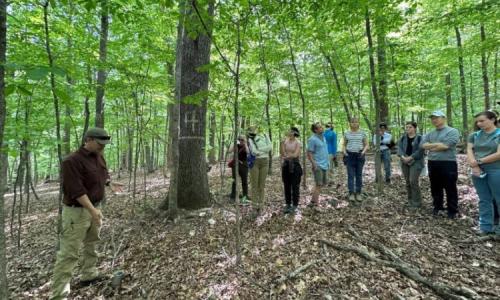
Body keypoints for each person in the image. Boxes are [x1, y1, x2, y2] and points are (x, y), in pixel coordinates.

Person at [50, 127, 122, 300]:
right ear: (88, 140)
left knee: (92, 243)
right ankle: (59, 294)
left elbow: (101, 175)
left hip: (95, 209)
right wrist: (92, 211)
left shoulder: (98, 157)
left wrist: (109, 184)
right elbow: (76, 190)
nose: (102, 147)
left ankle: (88, 274)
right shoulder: (71, 161)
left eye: (104, 144)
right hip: (76, 213)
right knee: (69, 253)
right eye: (99, 144)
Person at [421, 110, 460, 219]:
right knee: (435, 186)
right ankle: (437, 207)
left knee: (450, 186)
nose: (434, 120)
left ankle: (452, 210)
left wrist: (431, 146)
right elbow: (423, 145)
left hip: (448, 163)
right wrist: (437, 145)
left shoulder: (452, 131)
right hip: (432, 163)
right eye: (432, 118)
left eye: (437, 118)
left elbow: (446, 146)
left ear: (444, 118)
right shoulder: (430, 133)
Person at [466, 111, 500, 235]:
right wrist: (473, 165)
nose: (479, 123)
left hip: (496, 170)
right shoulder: (474, 135)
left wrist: (478, 161)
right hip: (477, 170)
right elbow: (470, 149)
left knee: (499, 198)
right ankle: (485, 227)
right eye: (477, 121)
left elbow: (498, 154)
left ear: (492, 120)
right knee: (484, 199)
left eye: (482, 120)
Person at [397, 121, 425, 209]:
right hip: (404, 161)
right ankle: (410, 200)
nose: (408, 129)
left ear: (414, 128)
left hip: (416, 162)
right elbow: (399, 148)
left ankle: (417, 202)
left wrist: (411, 157)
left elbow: (421, 151)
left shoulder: (420, 138)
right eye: (407, 127)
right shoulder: (403, 138)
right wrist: (403, 157)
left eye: (410, 127)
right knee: (407, 182)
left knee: (413, 181)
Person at [343, 117, 369, 202]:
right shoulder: (347, 133)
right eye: (352, 122)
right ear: (350, 123)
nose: (354, 124)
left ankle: (358, 193)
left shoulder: (362, 133)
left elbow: (366, 144)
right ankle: (351, 193)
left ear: (358, 123)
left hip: (359, 155)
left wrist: (363, 152)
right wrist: (345, 152)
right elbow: (344, 145)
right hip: (349, 155)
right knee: (350, 175)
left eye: (356, 122)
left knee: (359, 175)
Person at [247, 126, 272, 213]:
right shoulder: (250, 139)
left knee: (261, 186)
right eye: (251, 129)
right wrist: (264, 150)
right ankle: (254, 206)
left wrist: (260, 150)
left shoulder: (265, 135)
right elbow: (254, 151)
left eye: (255, 128)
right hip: (255, 163)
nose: (254, 130)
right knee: (254, 185)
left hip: (265, 162)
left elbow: (270, 147)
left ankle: (261, 205)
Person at [280, 127, 302, 214]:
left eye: (290, 131)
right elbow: (282, 152)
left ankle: (295, 205)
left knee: (295, 185)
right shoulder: (285, 141)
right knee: (286, 185)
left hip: (295, 165)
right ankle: (288, 204)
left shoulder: (298, 142)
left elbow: (296, 154)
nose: (288, 132)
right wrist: (281, 144)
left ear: (294, 133)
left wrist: (287, 156)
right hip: (286, 165)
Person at [307, 122, 329, 206]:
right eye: (319, 127)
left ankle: (313, 201)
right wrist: (314, 164)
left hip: (325, 164)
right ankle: (315, 203)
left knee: (321, 184)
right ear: (315, 130)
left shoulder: (323, 137)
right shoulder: (312, 139)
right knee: (319, 184)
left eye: (321, 127)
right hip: (318, 164)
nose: (322, 128)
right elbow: (309, 153)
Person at [228, 134, 249, 202]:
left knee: (244, 181)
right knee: (235, 181)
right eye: (239, 139)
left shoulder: (246, 145)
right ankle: (233, 196)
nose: (240, 141)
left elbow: (248, 152)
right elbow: (229, 151)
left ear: (245, 140)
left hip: (244, 165)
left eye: (242, 139)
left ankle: (245, 195)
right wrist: (234, 143)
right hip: (235, 164)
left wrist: (245, 144)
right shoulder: (236, 145)